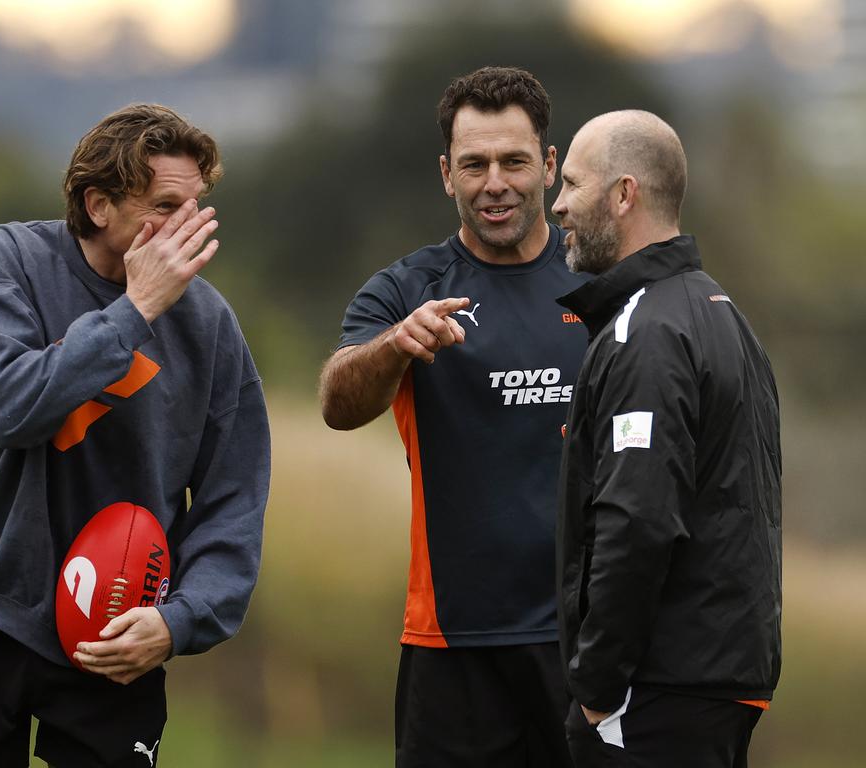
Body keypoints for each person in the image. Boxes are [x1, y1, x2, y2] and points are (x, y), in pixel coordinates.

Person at [0, 104, 271, 767]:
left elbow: (233, 503)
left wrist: (179, 619)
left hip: (120, 631)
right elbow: (10, 409)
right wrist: (135, 312)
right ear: (99, 203)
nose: (185, 229)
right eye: (166, 205)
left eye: (196, 208)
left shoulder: (212, 329)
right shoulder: (10, 260)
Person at [320, 66, 588, 766]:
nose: (494, 182)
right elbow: (337, 404)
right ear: (447, 174)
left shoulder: (603, 283)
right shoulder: (408, 291)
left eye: (513, 162)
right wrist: (394, 347)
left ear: (550, 166)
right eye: (474, 164)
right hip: (451, 647)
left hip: (587, 640)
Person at [552, 110, 781, 767]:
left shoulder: (647, 331)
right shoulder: (726, 316)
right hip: (720, 685)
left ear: (624, 195)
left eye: (572, 183)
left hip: (656, 693)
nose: (559, 205)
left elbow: (639, 520)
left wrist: (595, 688)